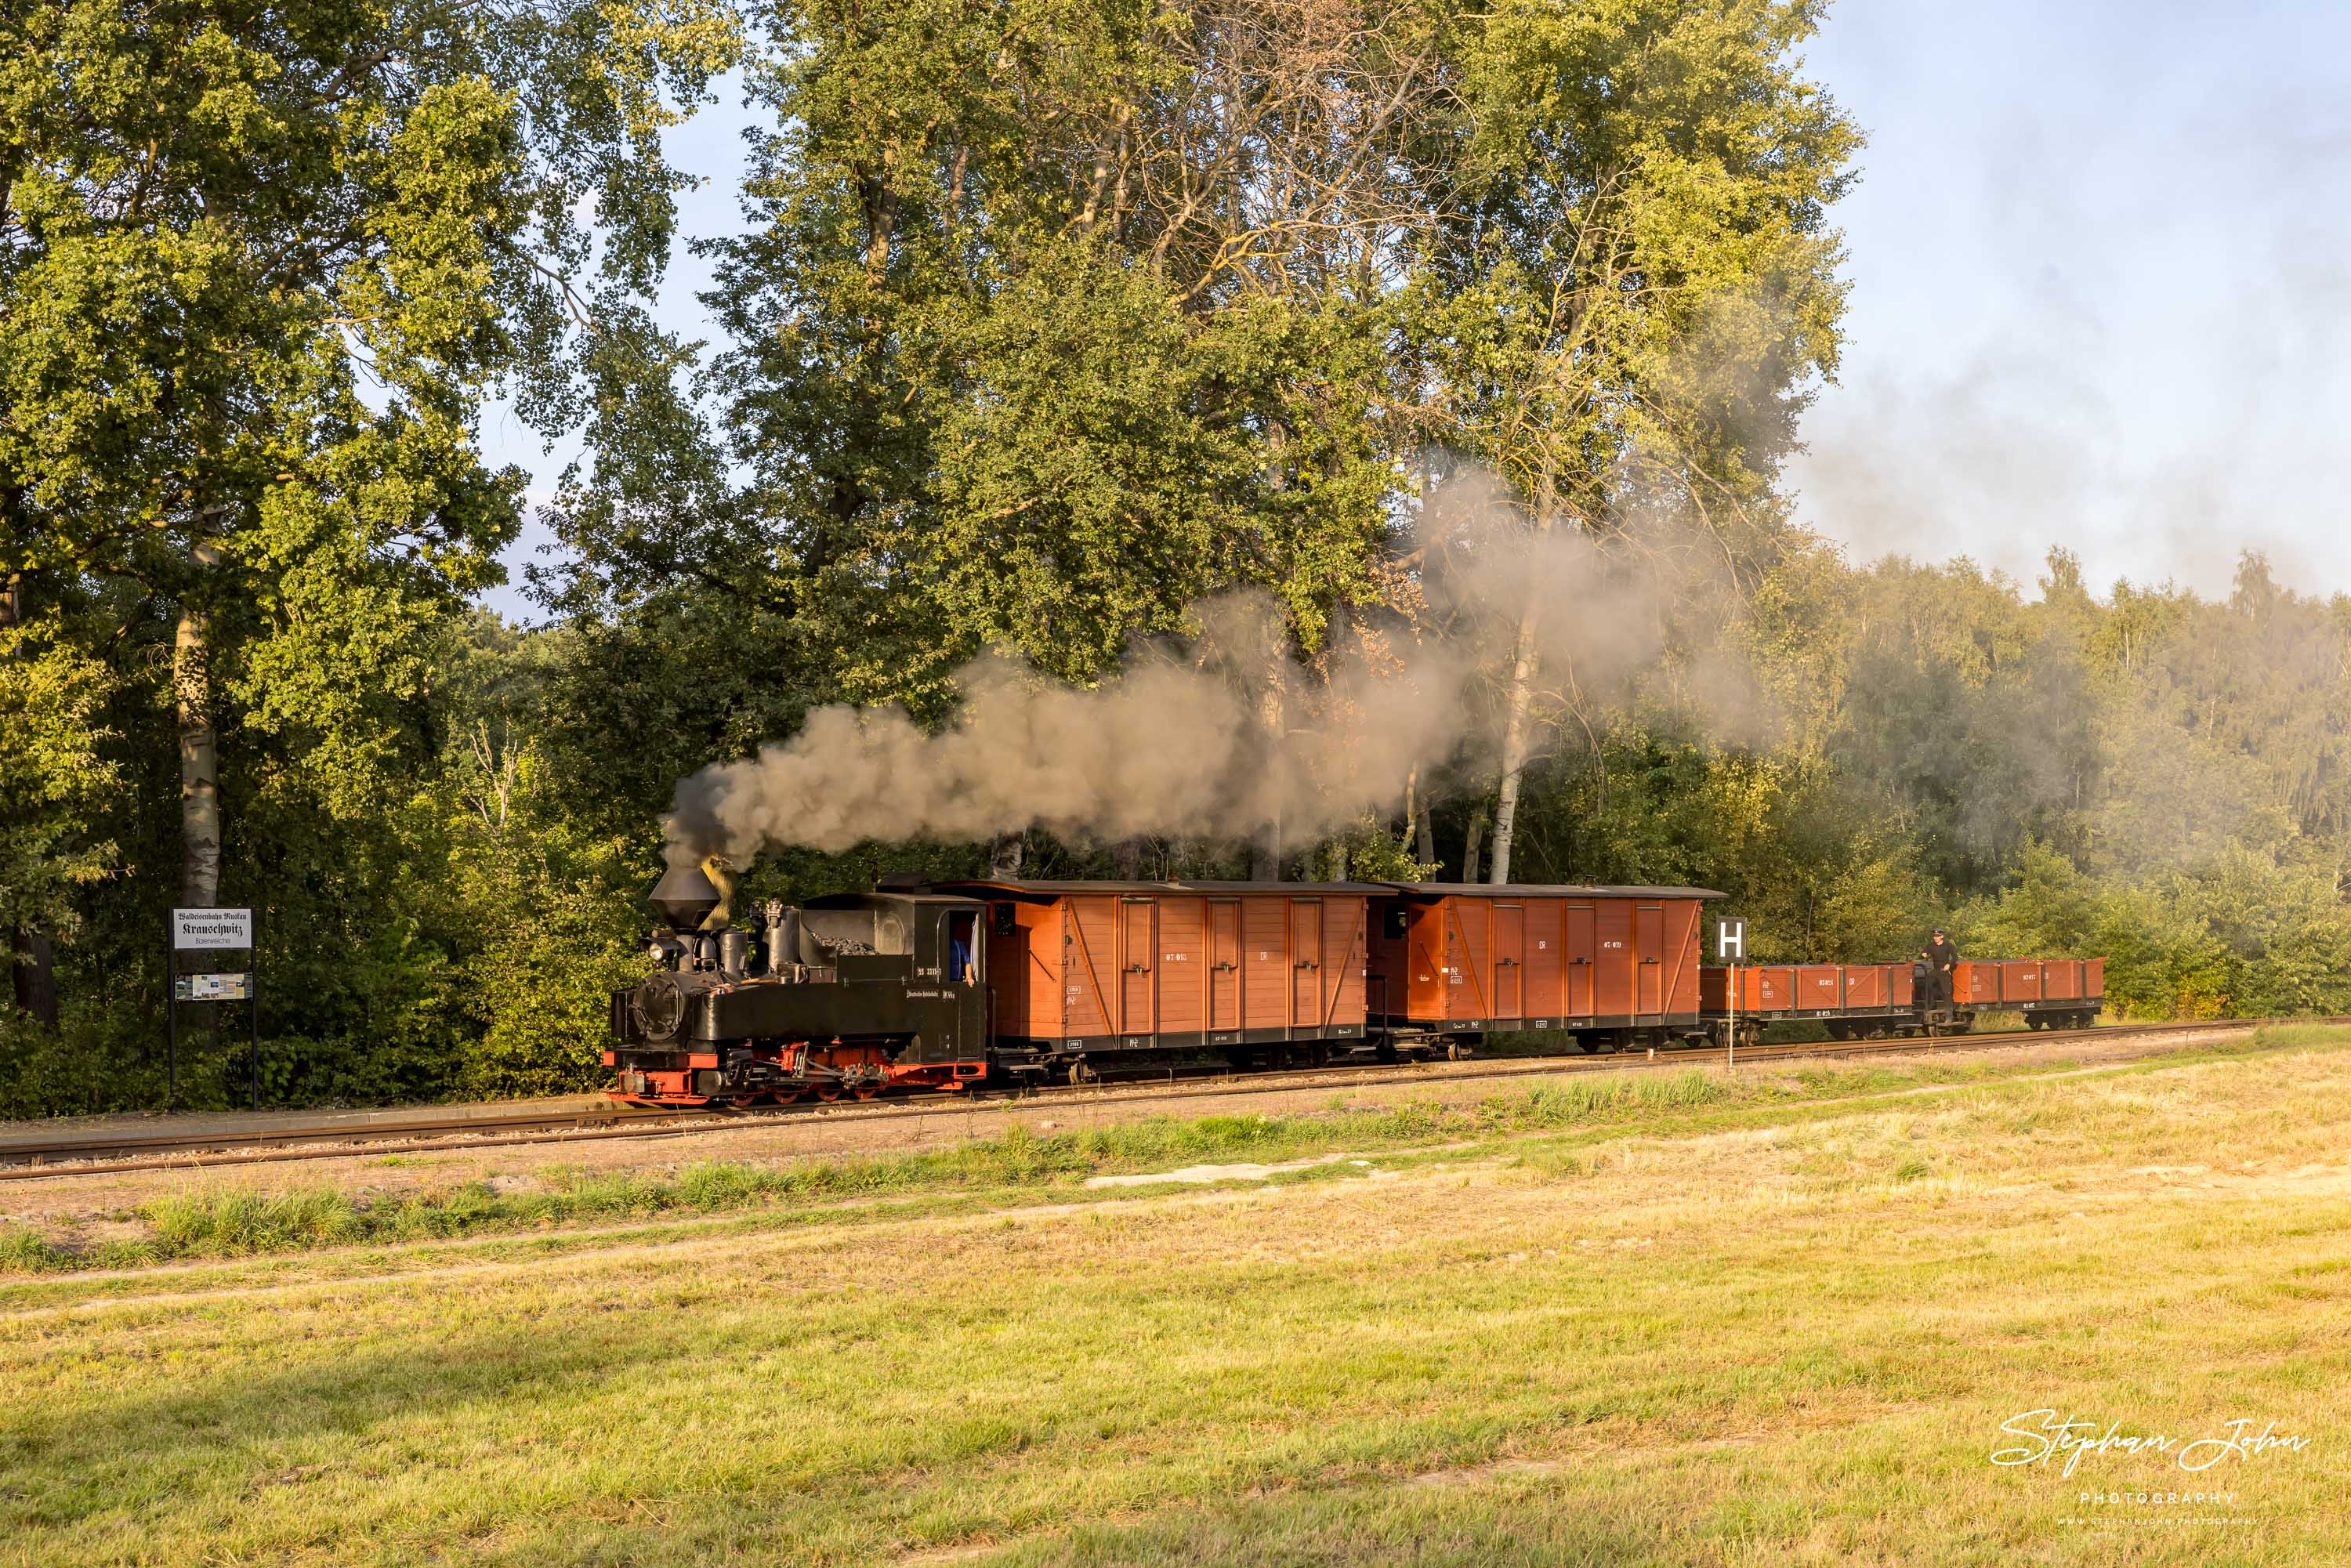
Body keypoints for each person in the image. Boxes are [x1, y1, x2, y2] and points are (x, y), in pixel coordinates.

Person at [1926, 927, 1959, 1009]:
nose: (1935, 938)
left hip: (1944, 971)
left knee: (1946, 992)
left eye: (1937, 936)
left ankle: (1949, 1015)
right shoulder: (1931, 945)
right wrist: (1923, 954)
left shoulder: (1948, 945)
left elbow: (1955, 957)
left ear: (1942, 936)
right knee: (1926, 984)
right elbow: (1923, 953)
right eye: (1934, 936)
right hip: (1935, 970)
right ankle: (1931, 1004)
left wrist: (1949, 964)